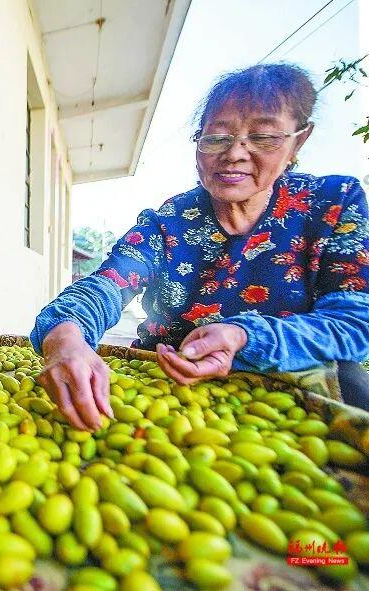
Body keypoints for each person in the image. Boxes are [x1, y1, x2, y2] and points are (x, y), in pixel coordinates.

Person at [31, 63, 369, 429]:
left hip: (288, 385)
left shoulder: (332, 204)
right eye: (217, 138)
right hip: (169, 381)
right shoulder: (169, 221)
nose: (235, 153)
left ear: (297, 142)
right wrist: (65, 334)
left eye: (264, 137)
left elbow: (352, 323)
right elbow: (106, 285)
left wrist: (243, 337)